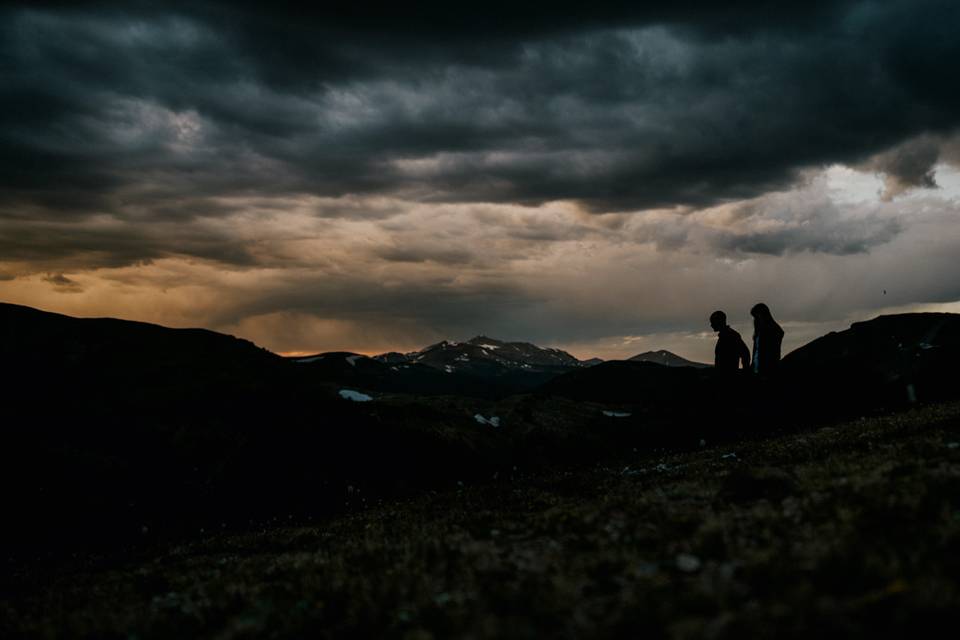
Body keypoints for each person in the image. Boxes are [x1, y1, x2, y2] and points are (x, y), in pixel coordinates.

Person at [750, 302, 784, 376]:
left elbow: (772, 351)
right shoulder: (759, 331)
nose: (755, 320)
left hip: (768, 369)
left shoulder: (773, 330)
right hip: (758, 367)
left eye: (757, 316)